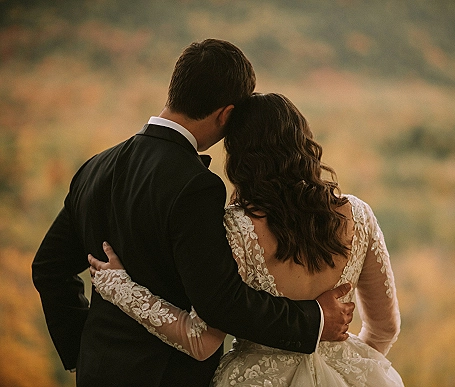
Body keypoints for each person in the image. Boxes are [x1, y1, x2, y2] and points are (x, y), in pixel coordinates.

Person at [31, 40, 354, 386]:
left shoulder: (95, 167)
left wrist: (80, 351)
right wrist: (314, 319)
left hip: (96, 374)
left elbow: (49, 268)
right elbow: (220, 302)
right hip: (166, 378)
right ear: (226, 115)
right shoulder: (196, 186)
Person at [88, 93, 404, 386]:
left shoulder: (236, 229)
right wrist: (343, 368)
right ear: (304, 143)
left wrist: (123, 289)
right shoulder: (359, 216)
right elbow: (385, 329)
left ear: (238, 155)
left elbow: (200, 342)